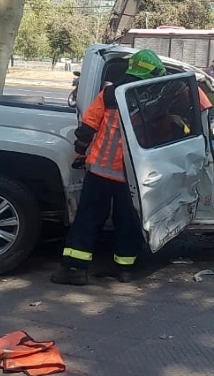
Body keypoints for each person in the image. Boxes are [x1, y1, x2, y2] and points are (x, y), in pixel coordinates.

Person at [51, 49, 167, 286]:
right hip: (133, 176)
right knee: (128, 221)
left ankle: (75, 269)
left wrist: (81, 152)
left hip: (101, 170)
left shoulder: (111, 93)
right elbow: (163, 135)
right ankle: (125, 269)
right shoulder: (154, 100)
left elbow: (88, 126)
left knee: (88, 219)